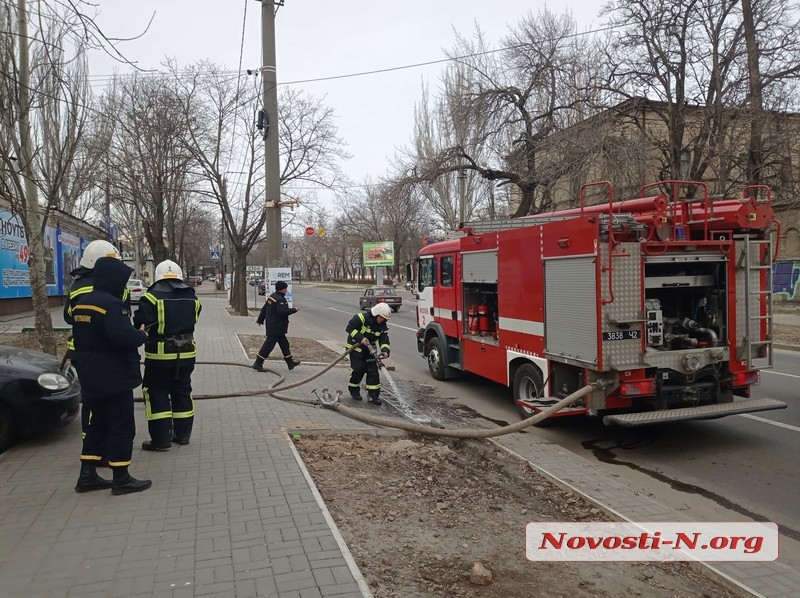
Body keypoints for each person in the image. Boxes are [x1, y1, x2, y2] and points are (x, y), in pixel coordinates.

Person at [71, 257, 151, 495]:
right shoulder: (111, 305)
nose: (124, 286)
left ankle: (87, 475)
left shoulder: (82, 303)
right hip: (114, 377)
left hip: (90, 375)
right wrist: (141, 335)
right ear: (113, 279)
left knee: (98, 424)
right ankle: (121, 478)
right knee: (121, 427)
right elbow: (122, 337)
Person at [133, 260, 202, 451]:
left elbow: (140, 321)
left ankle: (161, 439)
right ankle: (183, 435)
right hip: (187, 353)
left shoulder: (151, 297)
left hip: (160, 356)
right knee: (182, 392)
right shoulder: (192, 298)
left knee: (157, 393)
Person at [63, 240, 124, 453]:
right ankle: (108, 447)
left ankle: (91, 447)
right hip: (109, 352)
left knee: (90, 399)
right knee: (111, 400)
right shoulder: (115, 286)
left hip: (82, 350)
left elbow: (69, 317)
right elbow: (121, 317)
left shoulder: (76, 286)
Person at [345, 302, 391, 405]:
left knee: (373, 372)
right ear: (376, 314)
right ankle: (354, 390)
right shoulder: (360, 318)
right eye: (381, 317)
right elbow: (350, 329)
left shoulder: (382, 326)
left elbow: (384, 339)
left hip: (370, 350)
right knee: (358, 369)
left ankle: (373, 396)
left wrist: (385, 351)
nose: (382, 320)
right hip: (355, 348)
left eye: (384, 318)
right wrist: (360, 338)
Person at [252, 281, 301, 372]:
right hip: (276, 327)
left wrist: (260, 319)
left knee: (284, 344)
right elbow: (282, 312)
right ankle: (258, 363)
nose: (286, 290)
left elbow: (264, 309)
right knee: (268, 346)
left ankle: (290, 362)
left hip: (275, 326)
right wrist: (294, 310)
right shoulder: (280, 299)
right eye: (285, 288)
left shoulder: (272, 297)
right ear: (282, 289)